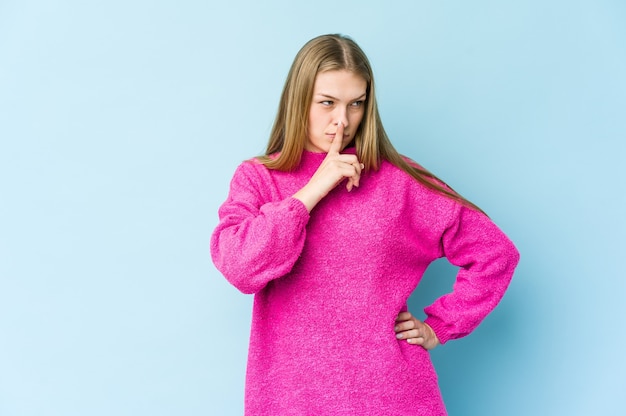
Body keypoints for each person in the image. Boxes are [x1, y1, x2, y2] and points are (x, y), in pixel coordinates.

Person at [210, 33, 519, 415]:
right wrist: (315, 189)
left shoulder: (398, 181)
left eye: (356, 104)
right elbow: (240, 267)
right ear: (298, 100)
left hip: (393, 397)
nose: (342, 120)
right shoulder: (259, 178)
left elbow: (495, 254)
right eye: (327, 103)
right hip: (291, 401)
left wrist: (439, 326)